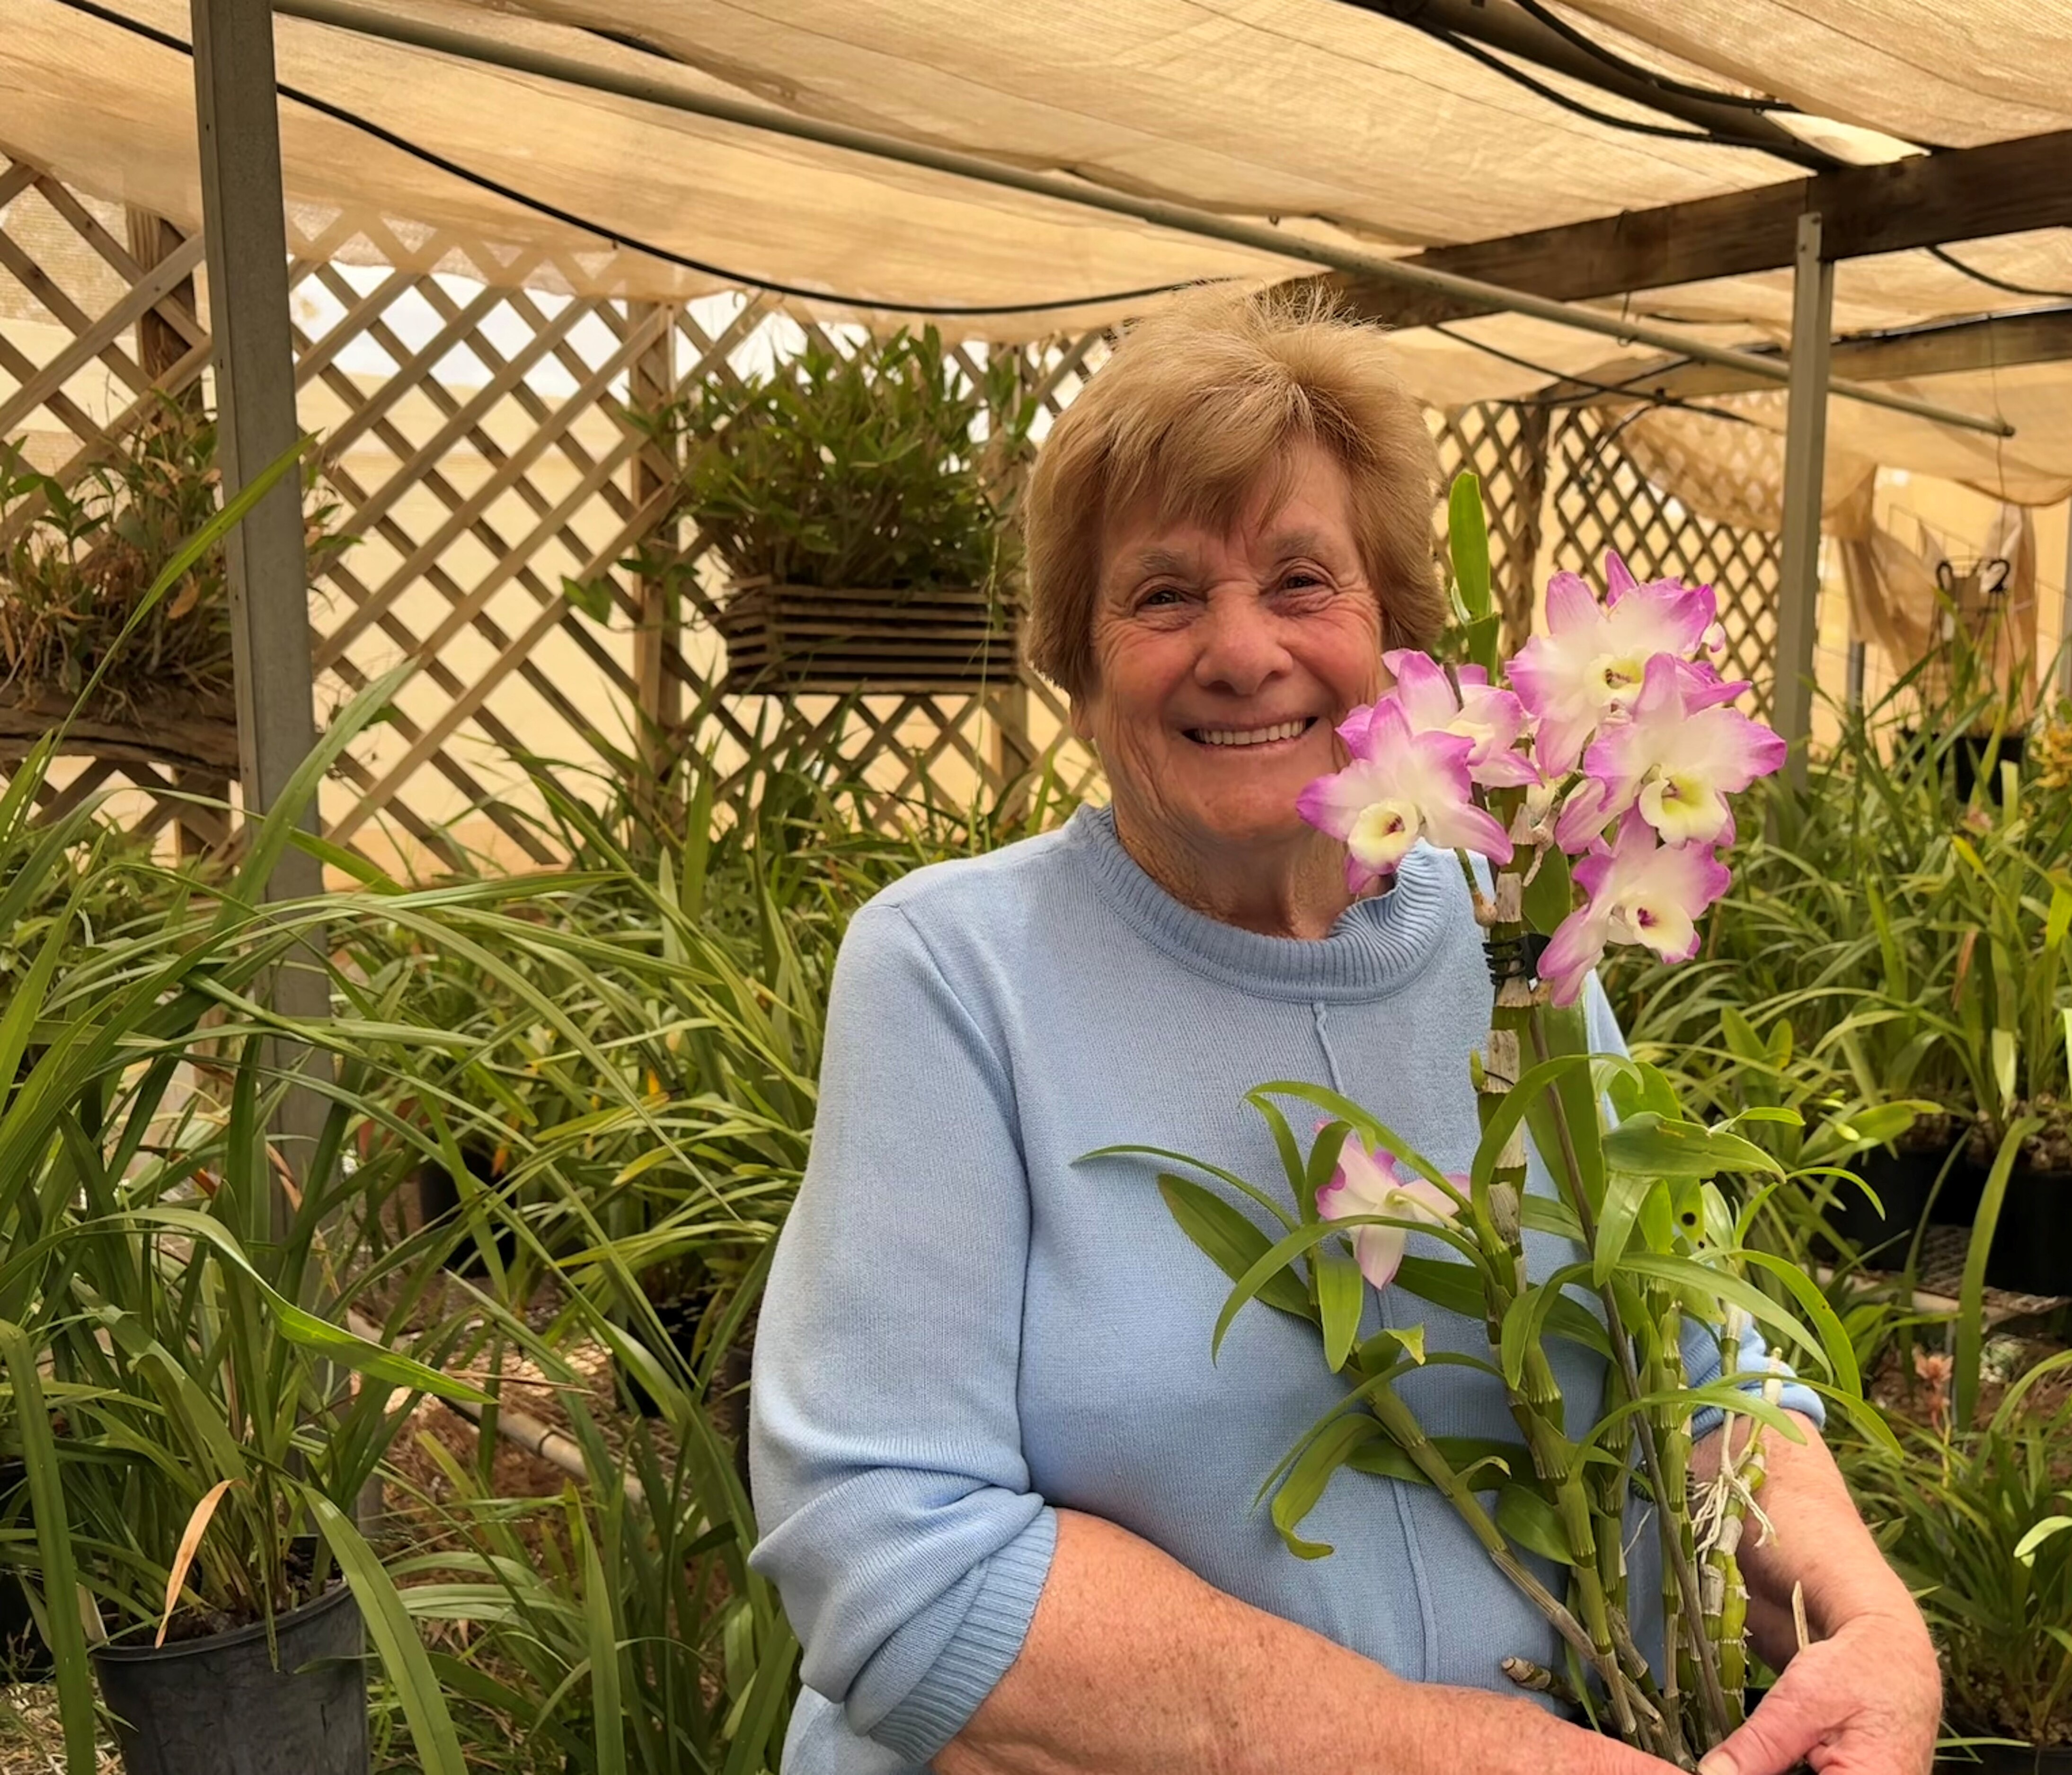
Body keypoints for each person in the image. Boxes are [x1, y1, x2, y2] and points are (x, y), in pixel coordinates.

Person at [749, 295, 1939, 1775]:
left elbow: (1691, 1358)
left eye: (1303, 580)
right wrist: (1445, 1754)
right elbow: (896, 1558)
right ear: (1073, 657)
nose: (1242, 652)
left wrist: (1864, 1619)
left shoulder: (1514, 934)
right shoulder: (955, 971)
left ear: (1399, 642)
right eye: (1164, 596)